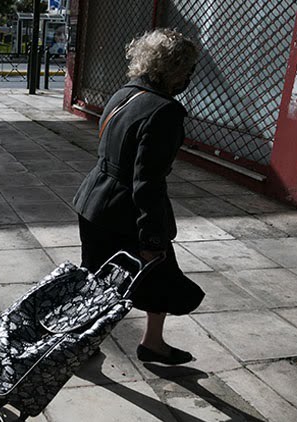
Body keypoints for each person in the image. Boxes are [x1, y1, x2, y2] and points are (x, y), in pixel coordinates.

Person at [72, 28, 205, 365]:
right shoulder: (165, 111)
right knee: (150, 275)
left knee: (100, 279)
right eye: (188, 69)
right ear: (175, 69)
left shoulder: (124, 94)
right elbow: (147, 182)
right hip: (123, 213)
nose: (189, 77)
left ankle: (143, 343)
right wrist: (152, 237)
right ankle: (84, 345)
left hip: (92, 202)